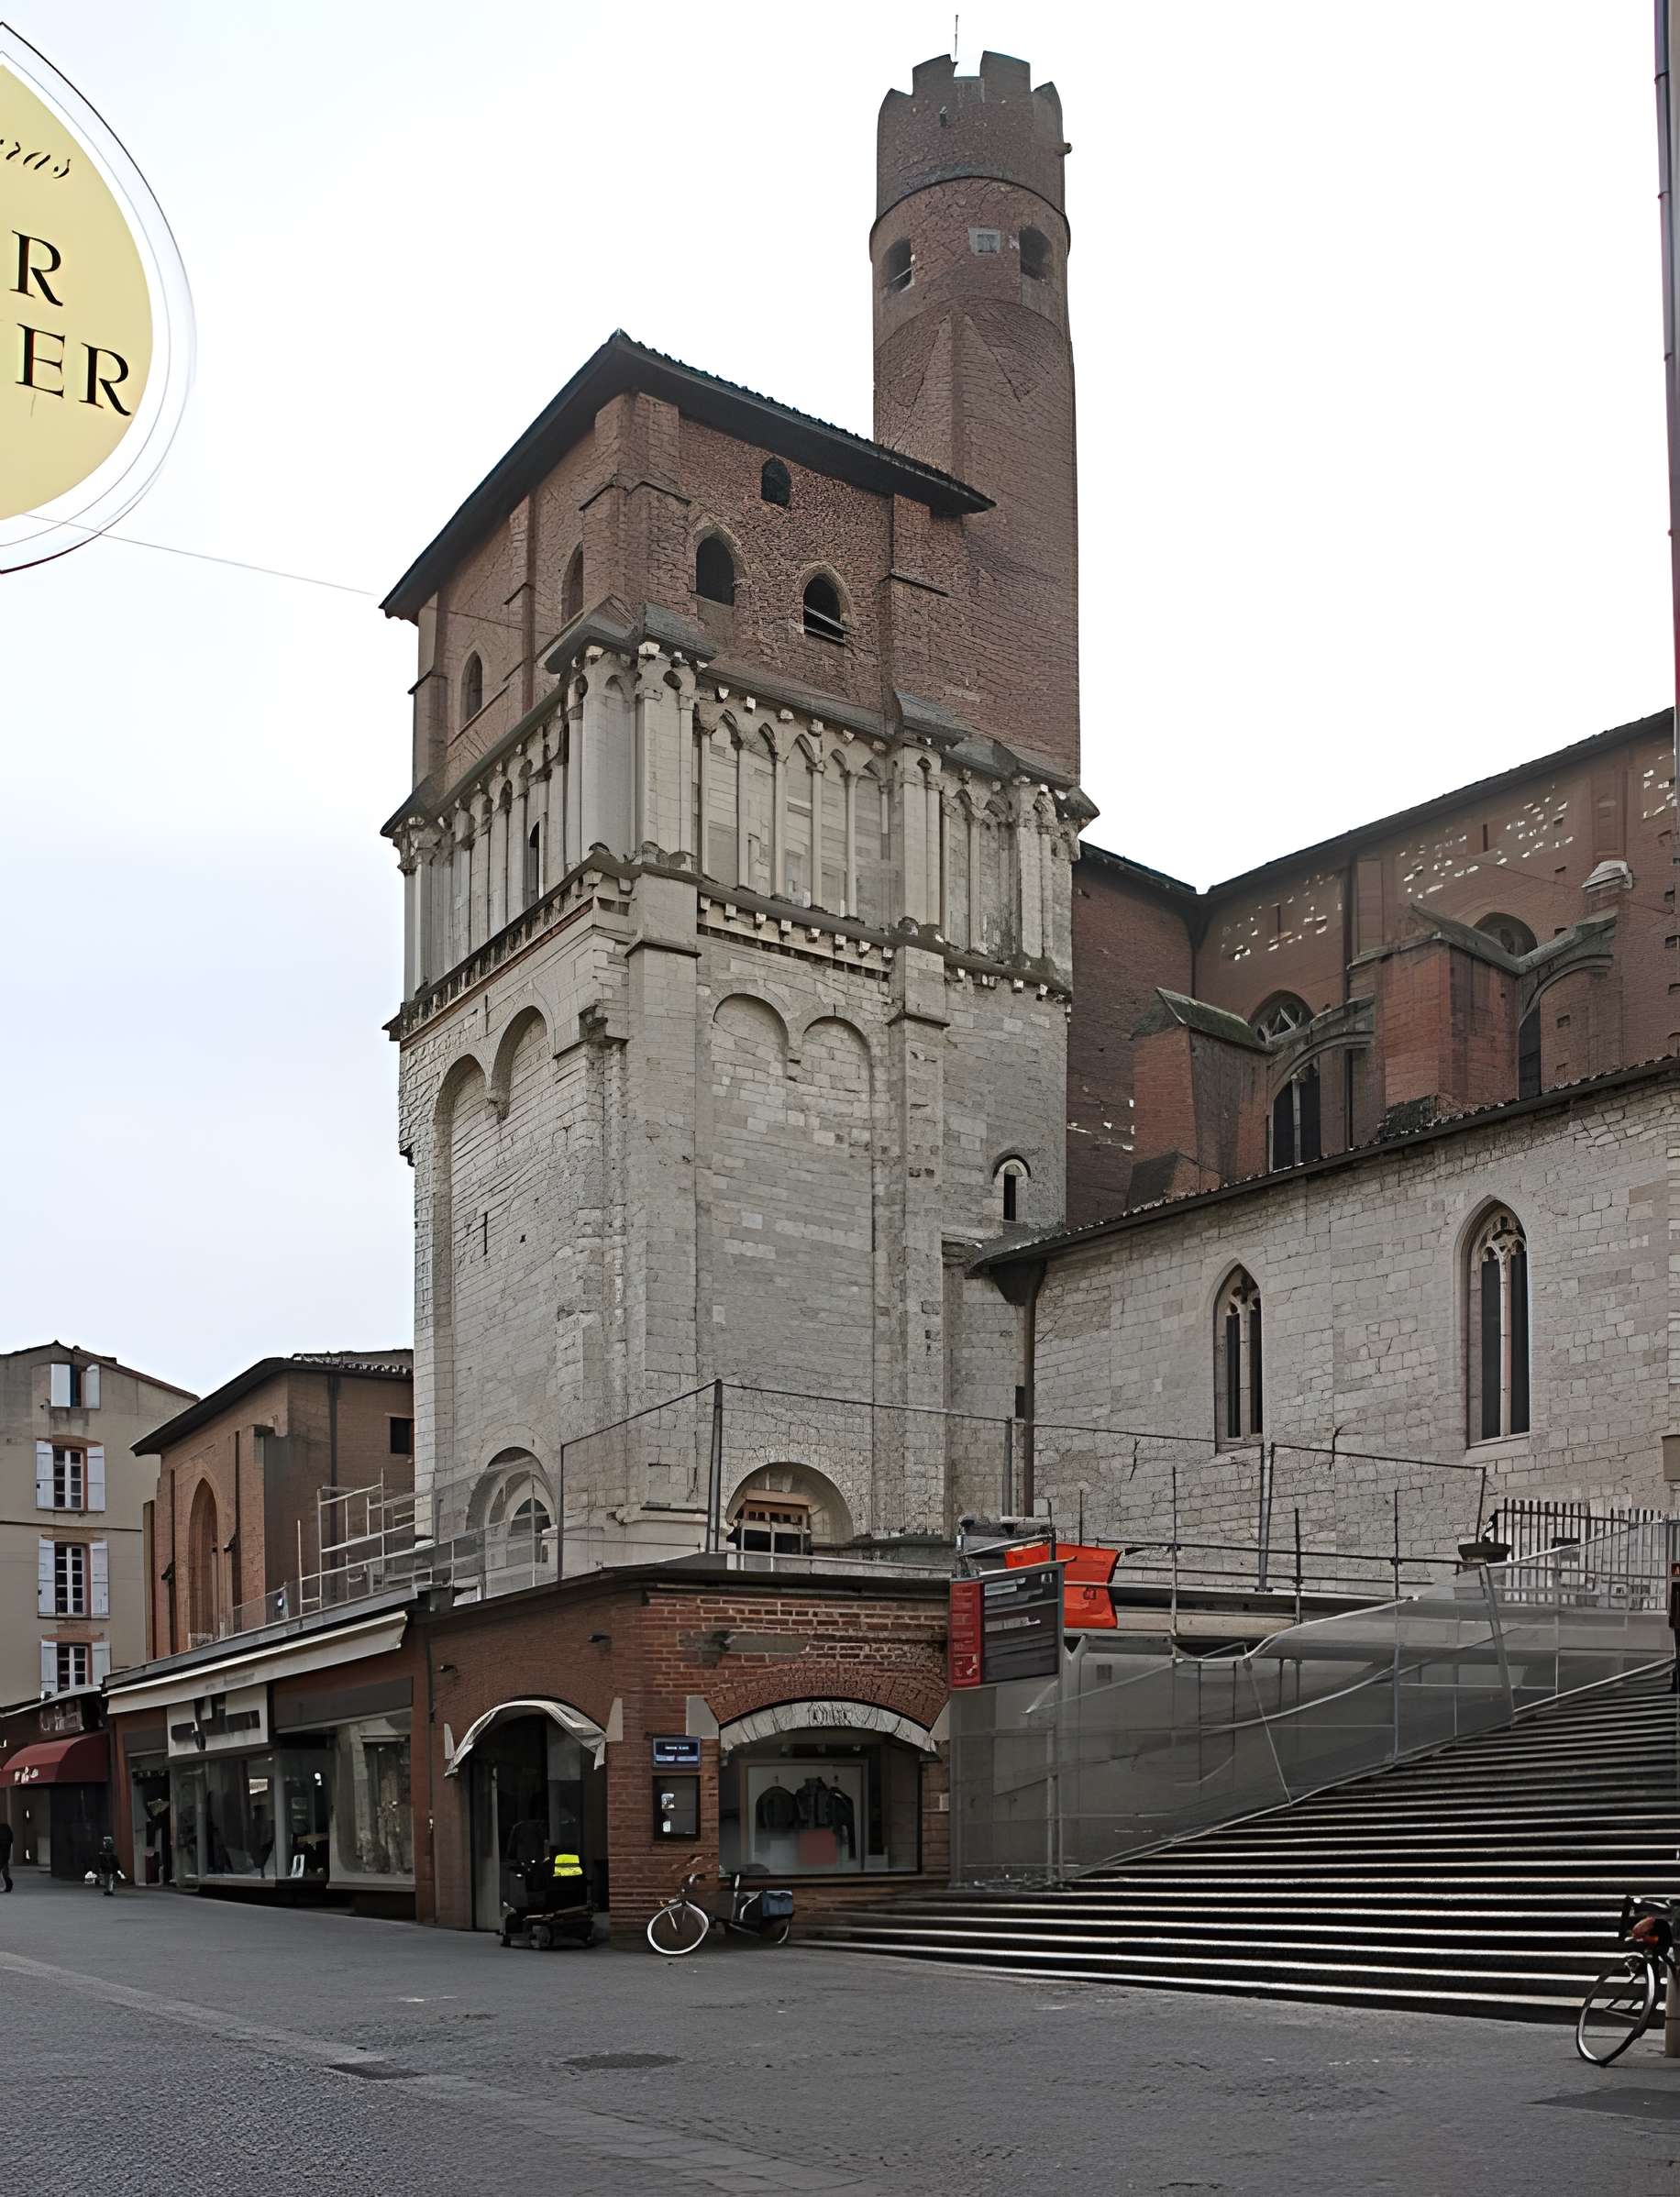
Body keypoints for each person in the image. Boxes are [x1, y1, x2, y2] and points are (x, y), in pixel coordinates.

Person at [1669, 1561, 1680, 1695]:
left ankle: (1676, 1686)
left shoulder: (1675, 1588)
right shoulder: (1675, 1587)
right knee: (1677, 1655)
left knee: (1677, 1655)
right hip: (1677, 1625)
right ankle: (1676, 1685)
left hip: (1677, 1625)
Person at [0, 1817, 13, 1892]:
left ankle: (4, 1885)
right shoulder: (7, 1830)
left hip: (3, 1854)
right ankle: (5, 1884)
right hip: (5, 1855)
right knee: (4, 1867)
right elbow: (11, 1840)